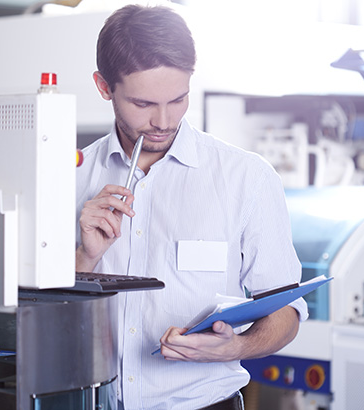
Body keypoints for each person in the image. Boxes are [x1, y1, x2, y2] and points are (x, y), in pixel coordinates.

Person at [76, 4, 307, 409]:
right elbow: (30, 316)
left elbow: (285, 309)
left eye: (178, 99)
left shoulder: (246, 177)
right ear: (103, 86)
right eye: (143, 104)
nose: (164, 121)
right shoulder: (70, 178)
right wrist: (84, 257)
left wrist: (235, 346)